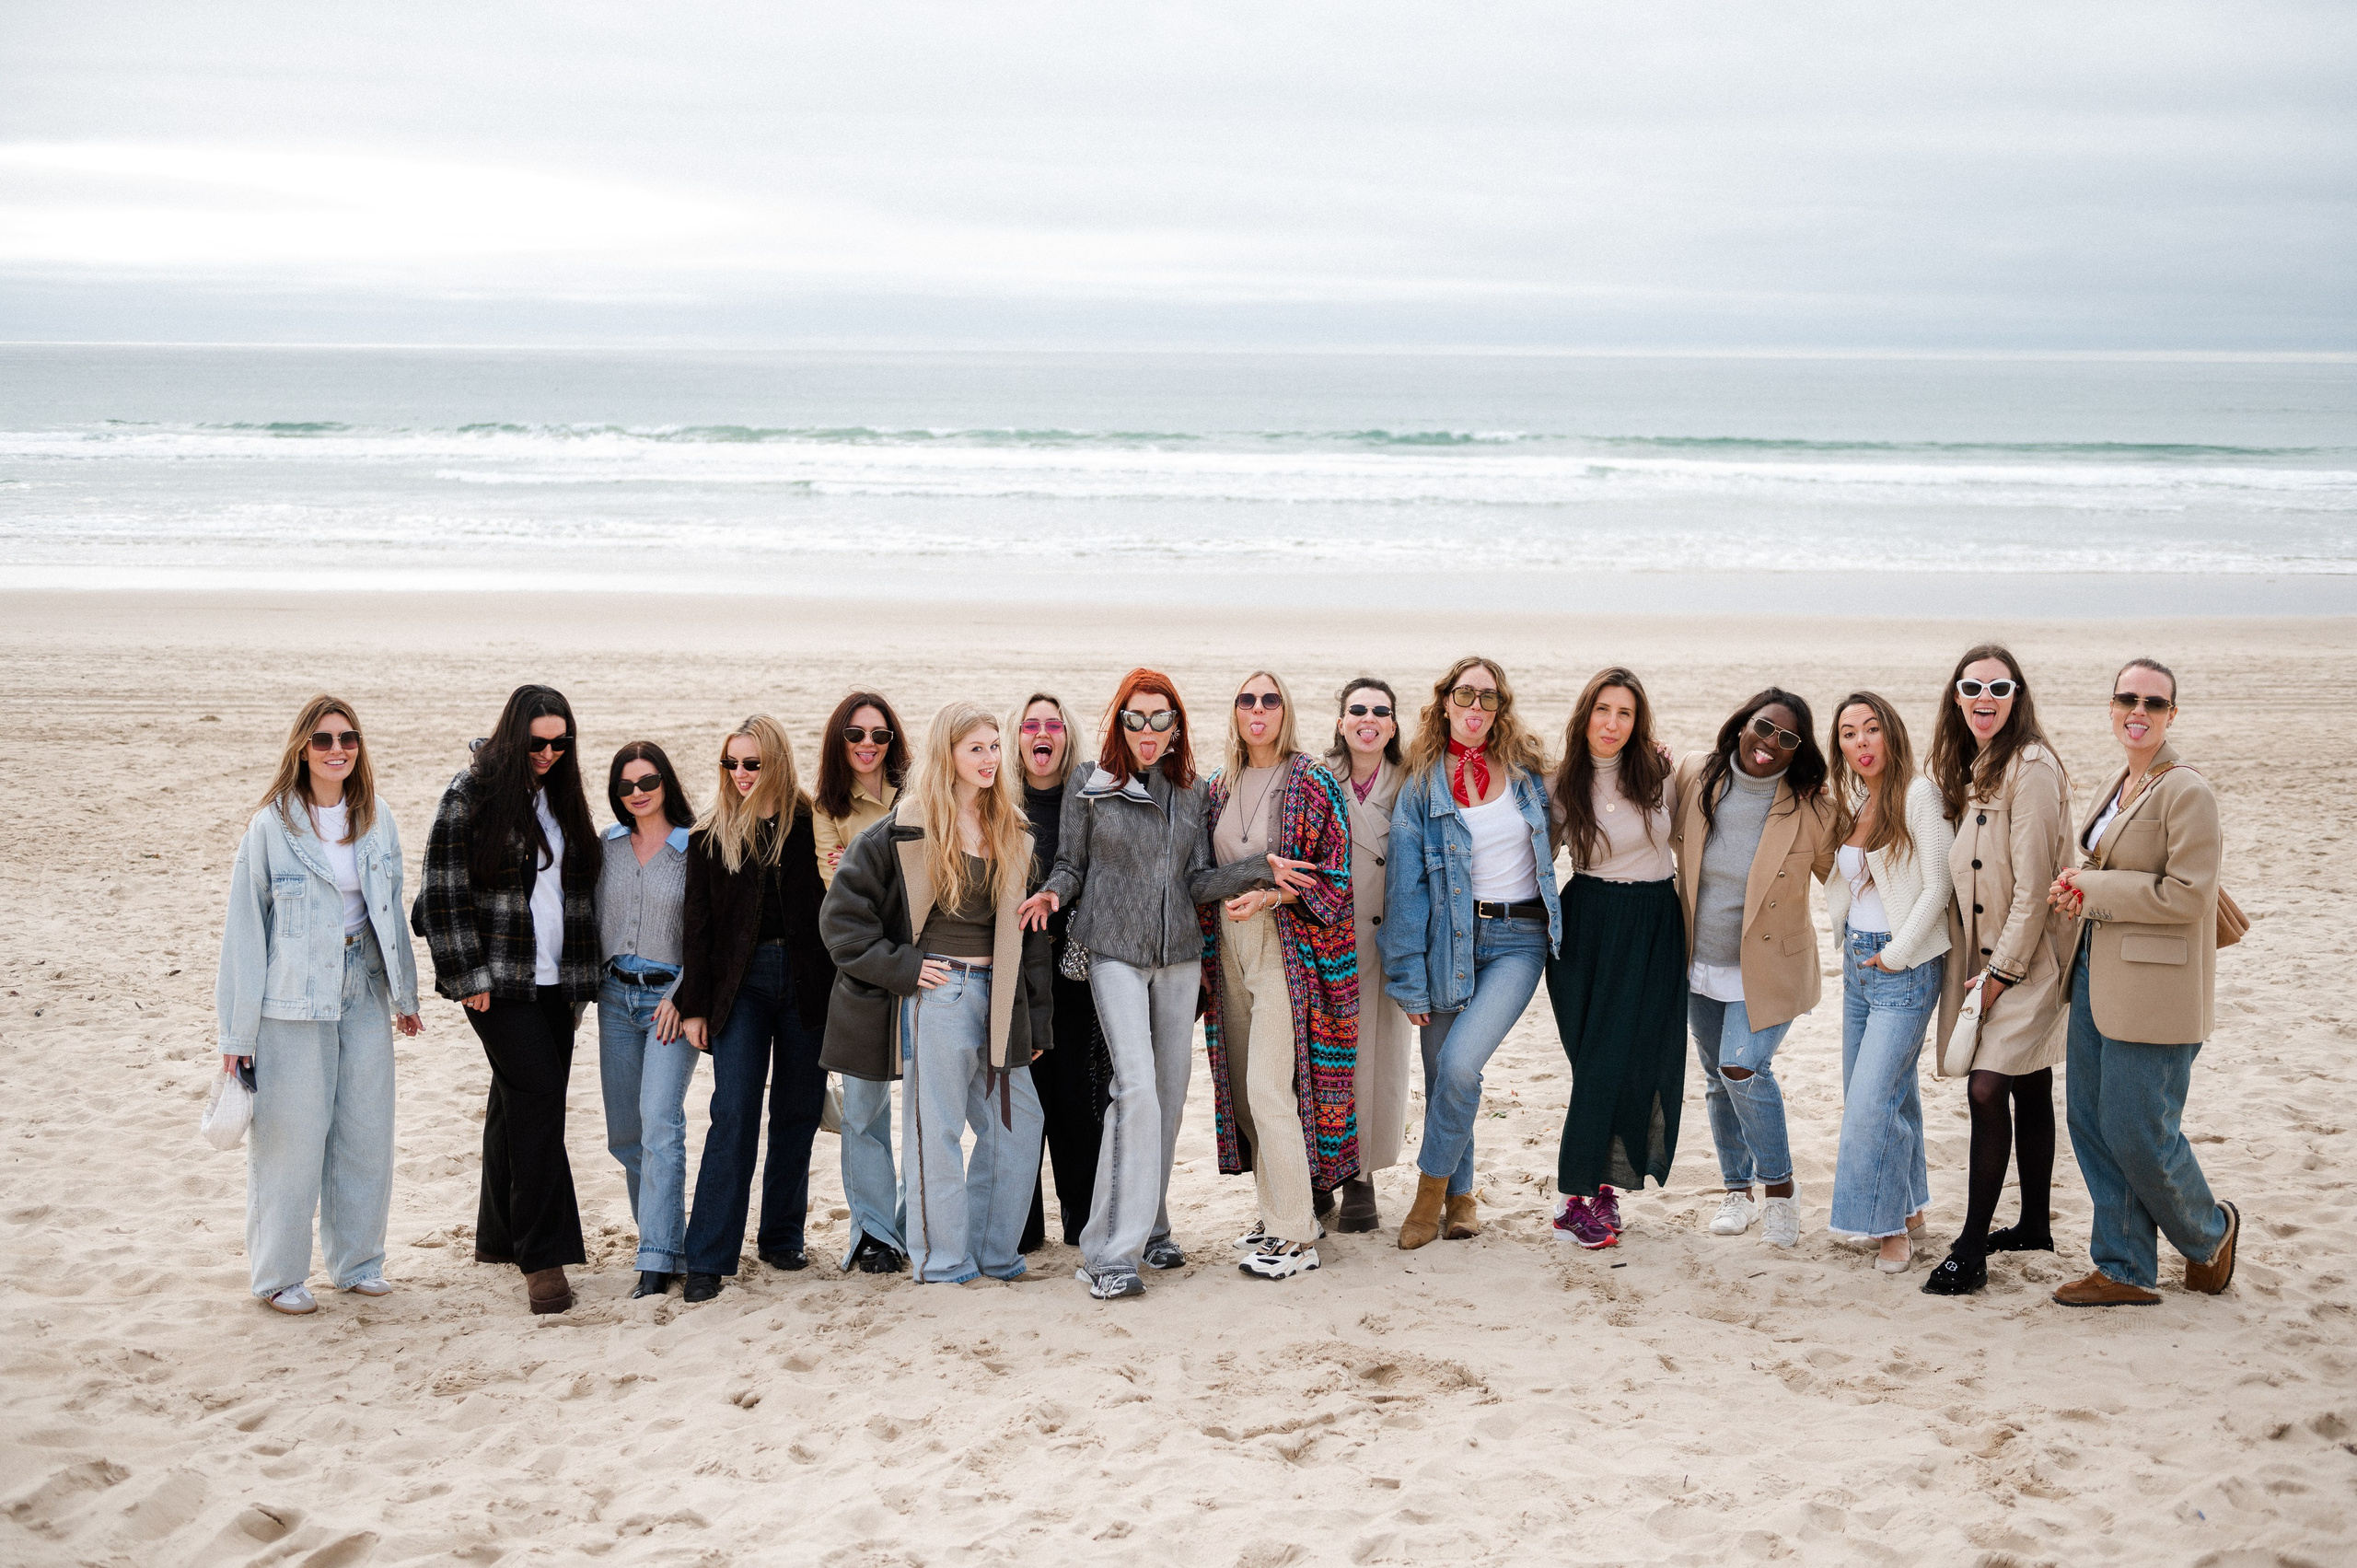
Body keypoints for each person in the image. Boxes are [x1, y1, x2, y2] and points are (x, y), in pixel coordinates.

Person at [1019, 668, 1302, 1300]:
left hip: (1177, 956)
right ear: (1119, 722)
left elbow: (1198, 881)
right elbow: (1071, 863)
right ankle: (1107, 1253)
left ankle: (1152, 1226)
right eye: (1135, 718)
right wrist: (1050, 892)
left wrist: (1258, 871)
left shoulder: (1192, 792)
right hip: (1112, 951)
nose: (1147, 731)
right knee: (1137, 1088)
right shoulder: (1088, 783)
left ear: (1176, 729)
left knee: (1170, 1098)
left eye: (1159, 719)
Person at [820, 703, 1054, 1283]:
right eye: (975, 748)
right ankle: (943, 1262)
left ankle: (992, 1253)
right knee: (938, 1132)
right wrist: (904, 967)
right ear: (946, 753)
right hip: (940, 993)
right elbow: (842, 922)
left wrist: (1037, 1022)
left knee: (1019, 1125)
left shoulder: (1013, 831)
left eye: (995, 747)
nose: (990, 759)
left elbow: (1031, 939)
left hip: (999, 1002)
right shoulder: (903, 828)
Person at [216, 695, 422, 1314]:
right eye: (325, 739)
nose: (338, 749)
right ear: (303, 748)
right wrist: (237, 1032)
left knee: (365, 1130)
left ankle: (358, 1262)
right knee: (290, 1139)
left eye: (349, 738)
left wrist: (403, 993)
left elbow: (389, 907)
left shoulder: (377, 816)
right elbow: (246, 929)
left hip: (363, 984)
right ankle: (279, 1275)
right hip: (294, 997)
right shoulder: (271, 826)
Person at [2047, 658, 2238, 1306]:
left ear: (2171, 715)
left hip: (2157, 988)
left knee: (2139, 1129)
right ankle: (2124, 1265)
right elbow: (2117, 868)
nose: (2139, 709)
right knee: (2091, 1122)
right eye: (2127, 698)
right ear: (2111, 707)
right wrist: (2078, 890)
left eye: (2154, 703)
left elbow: (2189, 896)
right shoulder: (2122, 781)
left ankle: (2210, 1232)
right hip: (2097, 971)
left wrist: (2092, 887)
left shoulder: (2188, 791)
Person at [413, 684, 602, 1316]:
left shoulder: (563, 798)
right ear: (512, 735)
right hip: (499, 982)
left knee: (515, 1100)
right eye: (537, 742)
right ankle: (542, 1260)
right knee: (540, 1101)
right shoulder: (471, 795)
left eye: (559, 742)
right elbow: (440, 889)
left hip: (557, 985)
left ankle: (497, 1237)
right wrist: (467, 975)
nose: (548, 752)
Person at [1381, 656, 1562, 1250]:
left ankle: (1427, 1192)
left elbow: (1582, 796)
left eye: (1488, 698)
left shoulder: (1528, 771)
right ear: (1446, 702)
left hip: (1518, 942)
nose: (1476, 707)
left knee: (1460, 1065)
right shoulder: (1421, 784)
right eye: (1466, 694)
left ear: (1500, 708)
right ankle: (1461, 1199)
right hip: (1446, 944)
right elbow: (1405, 888)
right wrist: (1406, 975)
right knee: (1441, 1079)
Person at [1922, 645, 2073, 1296]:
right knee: (2029, 1080)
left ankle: (1970, 1247)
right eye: (1972, 685)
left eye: (1999, 686)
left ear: (2018, 695)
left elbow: (2034, 884)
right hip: (1987, 958)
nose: (1985, 697)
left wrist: (1999, 978)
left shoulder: (2031, 768)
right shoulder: (1977, 765)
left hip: (2029, 958)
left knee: (1986, 1088)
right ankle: (2035, 1223)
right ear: (1957, 696)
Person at [671, 717, 836, 1303]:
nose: (741, 775)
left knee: (797, 1110)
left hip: (808, 982)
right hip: (739, 989)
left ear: (777, 762)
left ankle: (782, 1237)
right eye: (731, 764)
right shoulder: (710, 836)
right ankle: (709, 1257)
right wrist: (694, 1008)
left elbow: (843, 901)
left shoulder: (815, 823)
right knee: (734, 1110)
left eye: (752, 763)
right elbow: (698, 929)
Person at [1202, 671, 1358, 1281]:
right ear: (1235, 711)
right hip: (1227, 950)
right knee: (1245, 1094)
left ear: (1285, 711)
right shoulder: (1219, 785)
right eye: (1247, 698)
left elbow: (1336, 876)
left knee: (1270, 1088)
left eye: (1270, 698)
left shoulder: (1312, 780)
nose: (1258, 708)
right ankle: (1278, 1212)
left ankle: (1295, 1234)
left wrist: (1274, 896)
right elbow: (1202, 873)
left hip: (1285, 951)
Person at [1670, 688, 1837, 1250]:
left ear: (1798, 751)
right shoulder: (1697, 775)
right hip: (1699, 961)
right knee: (1719, 1080)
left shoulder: (1812, 807)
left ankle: (1781, 1193)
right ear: (1743, 723)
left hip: (1769, 969)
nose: (1770, 744)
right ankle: (1735, 1191)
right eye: (1764, 727)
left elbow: (1849, 875)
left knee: (1742, 1068)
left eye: (1788, 739)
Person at [1544, 668, 1684, 1251]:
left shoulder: (1661, 774)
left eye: (1625, 713)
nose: (1613, 723)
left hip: (1657, 922)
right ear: (1586, 714)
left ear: (1638, 722)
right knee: (1597, 1062)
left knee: (1643, 1060)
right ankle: (1576, 1197)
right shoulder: (1559, 784)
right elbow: (1531, 859)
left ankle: (1602, 1188)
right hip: (1590, 924)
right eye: (1604, 709)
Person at [1822, 692, 1953, 1273]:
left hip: (1905, 966)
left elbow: (1938, 885)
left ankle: (1889, 1229)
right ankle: (1913, 1210)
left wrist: (1898, 955)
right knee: (1884, 1093)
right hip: (1859, 965)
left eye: (1871, 729)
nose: (1861, 743)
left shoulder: (1918, 795)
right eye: (1849, 734)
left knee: (1871, 1102)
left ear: (1891, 734)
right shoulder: (1854, 800)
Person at [812, 691, 912, 1276]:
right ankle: (872, 1232)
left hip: (926, 961)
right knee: (866, 1108)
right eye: (856, 735)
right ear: (840, 740)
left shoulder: (918, 795)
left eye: (879, 735)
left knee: (927, 1106)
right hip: (864, 973)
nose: (868, 745)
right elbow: (840, 889)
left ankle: (907, 1223)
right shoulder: (827, 805)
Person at [595, 741, 697, 1299]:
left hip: (671, 1006)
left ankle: (656, 1262)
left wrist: (683, 996)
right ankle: (663, 1241)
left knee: (661, 1123)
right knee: (626, 1135)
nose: (638, 794)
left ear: (667, 782)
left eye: (648, 782)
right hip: (614, 1000)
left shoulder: (694, 849)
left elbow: (708, 935)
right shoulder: (606, 848)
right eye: (626, 786)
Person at [1011, 691, 1111, 1252]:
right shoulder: (998, 801)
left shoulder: (1089, 801)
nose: (1041, 734)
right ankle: (1021, 1229)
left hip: (1072, 973)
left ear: (1067, 737)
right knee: (1018, 1096)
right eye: (1030, 725)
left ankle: (1082, 1220)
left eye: (1052, 724)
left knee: (1075, 1098)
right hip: (1012, 977)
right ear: (1016, 736)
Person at [1327, 677, 1410, 1233]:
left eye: (1381, 711)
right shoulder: (1313, 777)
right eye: (1357, 710)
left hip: (1387, 944)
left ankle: (1362, 1176)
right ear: (1341, 721)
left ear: (1394, 725)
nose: (1369, 719)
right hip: (1326, 941)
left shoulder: (1412, 781)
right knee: (1318, 1060)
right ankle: (1317, 1172)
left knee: (1377, 1062)